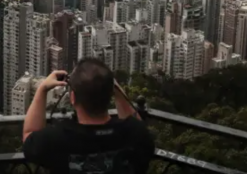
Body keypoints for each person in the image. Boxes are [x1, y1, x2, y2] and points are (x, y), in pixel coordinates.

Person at [22, 58, 156, 173]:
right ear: (110, 95)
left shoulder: (57, 138)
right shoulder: (134, 133)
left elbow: (29, 135)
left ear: (72, 98)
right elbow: (138, 126)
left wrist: (42, 89)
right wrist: (116, 91)